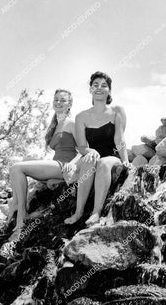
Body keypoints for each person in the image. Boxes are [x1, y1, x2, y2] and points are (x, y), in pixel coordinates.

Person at [7, 89, 81, 239]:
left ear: (70, 104)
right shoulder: (55, 125)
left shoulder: (72, 123)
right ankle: (15, 203)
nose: (58, 103)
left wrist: (72, 165)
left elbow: (84, 149)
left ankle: (21, 214)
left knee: (16, 168)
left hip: (64, 166)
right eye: (56, 100)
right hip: (55, 166)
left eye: (62, 100)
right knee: (21, 163)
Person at [64, 71, 131, 226]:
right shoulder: (81, 116)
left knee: (103, 163)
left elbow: (119, 138)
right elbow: (81, 146)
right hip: (91, 155)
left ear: (109, 90)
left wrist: (126, 160)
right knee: (89, 160)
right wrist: (90, 151)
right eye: (95, 85)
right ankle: (78, 212)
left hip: (111, 156)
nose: (99, 88)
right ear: (90, 90)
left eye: (104, 85)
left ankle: (96, 212)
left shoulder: (117, 110)